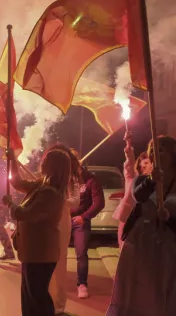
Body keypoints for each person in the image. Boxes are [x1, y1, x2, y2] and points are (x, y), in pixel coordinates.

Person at [106, 135, 176, 316]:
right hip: (140, 244)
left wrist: (169, 218)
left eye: (161, 149)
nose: (155, 153)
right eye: (152, 150)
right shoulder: (143, 180)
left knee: (159, 290)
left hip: (167, 247)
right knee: (135, 289)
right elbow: (139, 195)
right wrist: (152, 179)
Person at [2, 148, 69, 316]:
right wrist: (13, 161)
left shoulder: (50, 193)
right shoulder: (42, 185)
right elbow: (18, 183)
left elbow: (26, 214)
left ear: (53, 166)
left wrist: (11, 204)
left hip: (40, 253)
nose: (42, 161)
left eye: (46, 160)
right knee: (29, 295)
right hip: (33, 251)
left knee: (37, 298)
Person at [47, 144, 81, 315]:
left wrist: (59, 200)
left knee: (59, 264)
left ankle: (58, 305)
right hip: (44, 223)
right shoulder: (45, 178)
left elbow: (75, 201)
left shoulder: (71, 179)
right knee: (44, 263)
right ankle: (45, 302)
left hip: (61, 223)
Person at [70, 150, 105, 299]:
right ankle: (53, 283)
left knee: (81, 253)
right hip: (62, 220)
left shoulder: (90, 180)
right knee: (56, 252)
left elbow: (99, 203)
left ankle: (82, 284)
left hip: (80, 222)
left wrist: (84, 217)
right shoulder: (64, 178)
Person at [113, 130, 153, 249]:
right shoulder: (132, 176)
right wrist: (128, 144)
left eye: (147, 162)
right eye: (142, 163)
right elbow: (130, 162)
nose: (144, 165)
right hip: (128, 216)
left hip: (146, 219)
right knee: (125, 247)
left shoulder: (156, 180)